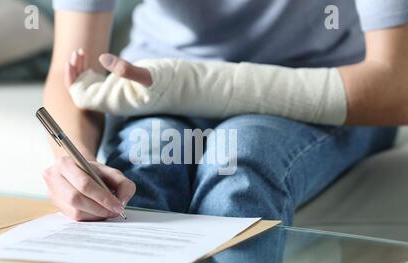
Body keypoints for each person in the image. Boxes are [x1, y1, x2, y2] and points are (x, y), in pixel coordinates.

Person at [43, 0, 408, 224]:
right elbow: (74, 72)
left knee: (241, 163)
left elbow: (397, 85)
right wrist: (77, 161)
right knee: (138, 169)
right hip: (154, 86)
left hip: (333, 86)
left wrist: (195, 85)